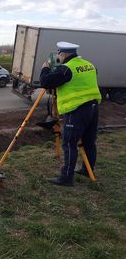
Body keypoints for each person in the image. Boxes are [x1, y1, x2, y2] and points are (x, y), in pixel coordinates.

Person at [40, 42, 102, 186]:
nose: (58, 58)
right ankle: (88, 169)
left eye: (59, 55)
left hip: (77, 110)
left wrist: (45, 69)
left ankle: (66, 178)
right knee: (89, 141)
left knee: (69, 143)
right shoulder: (88, 64)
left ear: (64, 54)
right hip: (93, 108)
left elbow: (45, 82)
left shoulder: (67, 69)